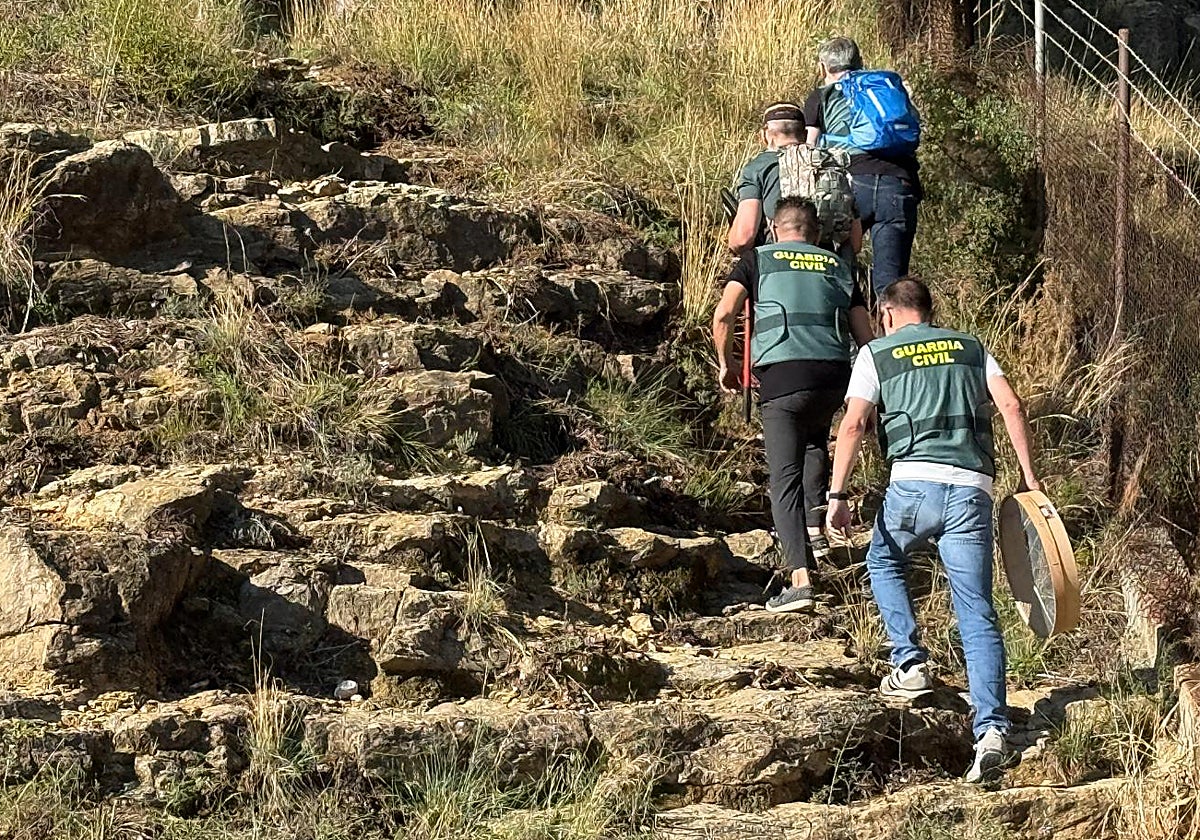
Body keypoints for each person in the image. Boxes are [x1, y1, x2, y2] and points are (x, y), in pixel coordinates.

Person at [825, 277, 1041, 783]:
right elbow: (1011, 406)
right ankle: (991, 730)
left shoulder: (877, 353)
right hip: (972, 489)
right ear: (929, 309)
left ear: (887, 313)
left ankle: (910, 662)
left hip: (912, 487)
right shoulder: (972, 347)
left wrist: (837, 496)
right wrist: (1030, 478)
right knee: (977, 611)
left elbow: (854, 424)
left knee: (882, 559)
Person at [713, 197, 874, 612]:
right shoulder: (837, 266)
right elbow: (865, 336)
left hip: (783, 377)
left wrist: (727, 365)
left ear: (773, 226)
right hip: (833, 375)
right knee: (815, 443)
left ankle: (800, 580)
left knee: (782, 476)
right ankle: (815, 534)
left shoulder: (757, 258)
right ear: (815, 233)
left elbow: (724, 314)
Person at [804, 37, 921, 299]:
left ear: (823, 68)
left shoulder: (821, 96)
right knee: (891, 285)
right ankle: (891, 335)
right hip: (897, 186)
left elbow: (809, 148)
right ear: (860, 63)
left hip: (851, 185)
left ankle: (846, 333)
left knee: (836, 270)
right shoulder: (887, 87)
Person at [727, 102, 862, 257]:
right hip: (830, 266)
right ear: (804, 134)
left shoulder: (758, 167)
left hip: (777, 264)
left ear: (764, 134)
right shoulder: (833, 163)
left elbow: (743, 239)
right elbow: (855, 242)